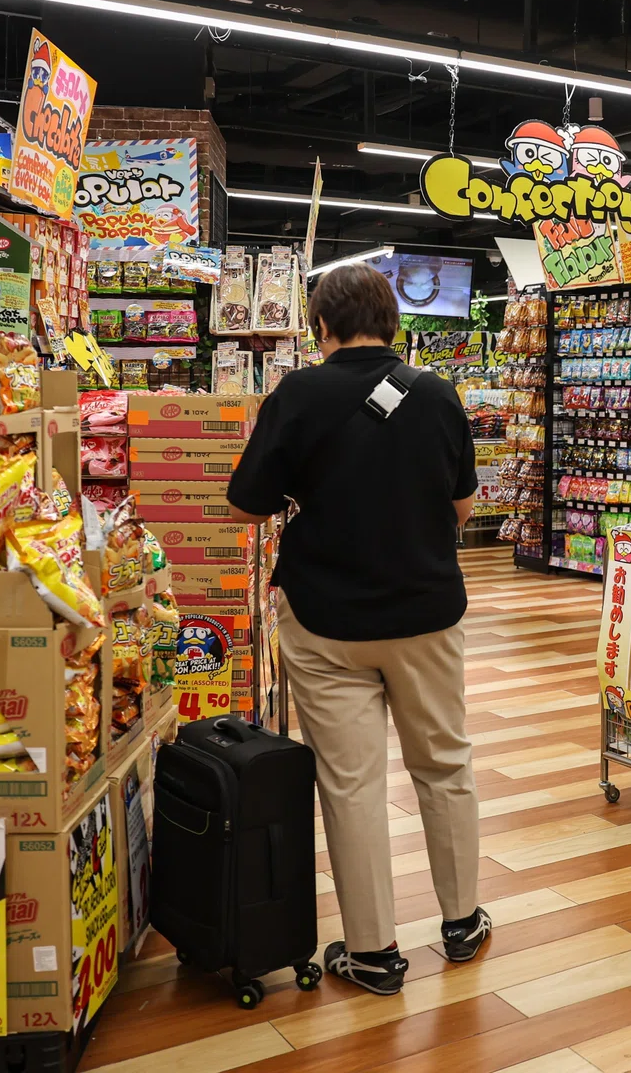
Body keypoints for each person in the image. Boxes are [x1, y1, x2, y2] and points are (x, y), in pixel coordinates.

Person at [226, 263, 490, 995]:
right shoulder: (437, 393)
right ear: (392, 324)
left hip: (325, 619)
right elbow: (464, 508)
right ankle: (462, 922)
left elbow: (246, 505)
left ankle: (373, 952)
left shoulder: (297, 393)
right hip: (426, 614)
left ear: (321, 326)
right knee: (445, 765)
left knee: (352, 784)